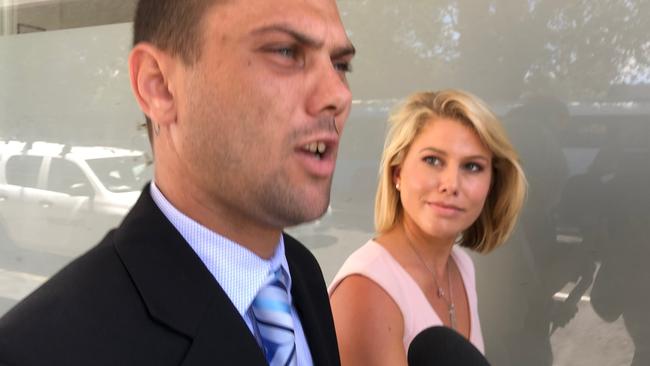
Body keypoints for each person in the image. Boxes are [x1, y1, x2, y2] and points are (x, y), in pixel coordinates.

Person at [0, 0, 355, 365]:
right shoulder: (39, 350)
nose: (338, 95)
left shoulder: (302, 275)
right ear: (159, 86)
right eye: (285, 51)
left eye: (340, 64)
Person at [329, 90, 526, 366]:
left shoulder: (461, 265)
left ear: (492, 184)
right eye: (433, 160)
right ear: (397, 173)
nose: (451, 184)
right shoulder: (366, 292)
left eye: (472, 166)